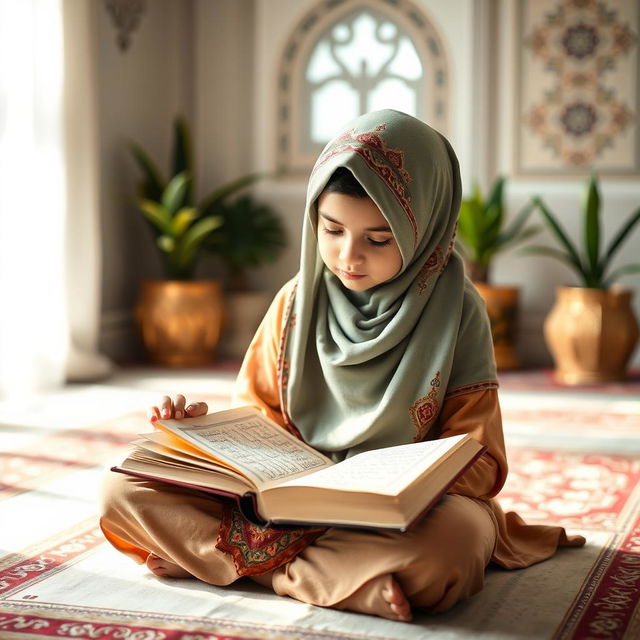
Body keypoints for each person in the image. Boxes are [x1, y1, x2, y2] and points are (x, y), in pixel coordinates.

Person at [100, 110, 584, 622]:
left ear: (424, 229)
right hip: (284, 507)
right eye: (331, 230)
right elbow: (258, 422)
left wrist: (396, 490)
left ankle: (240, 563)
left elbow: (480, 458)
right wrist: (203, 433)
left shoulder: (458, 311)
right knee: (121, 491)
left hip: (402, 515)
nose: (348, 257)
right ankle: (316, 577)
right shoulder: (294, 303)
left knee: (453, 549)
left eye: (378, 239)